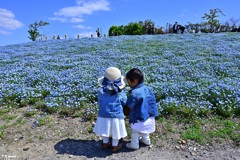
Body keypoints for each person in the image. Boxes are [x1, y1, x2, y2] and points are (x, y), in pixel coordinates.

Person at [93, 67, 128, 152]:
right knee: (116, 131)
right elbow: (124, 102)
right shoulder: (120, 92)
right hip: (116, 115)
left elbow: (100, 101)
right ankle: (115, 146)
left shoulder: (101, 91)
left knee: (105, 129)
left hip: (103, 114)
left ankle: (105, 143)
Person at [125, 68, 159, 150]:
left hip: (138, 117)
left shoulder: (134, 92)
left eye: (129, 82)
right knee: (145, 129)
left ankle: (134, 144)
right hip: (149, 115)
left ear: (135, 81)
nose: (128, 84)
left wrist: (126, 110)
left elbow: (130, 105)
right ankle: (146, 140)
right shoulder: (147, 88)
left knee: (135, 130)